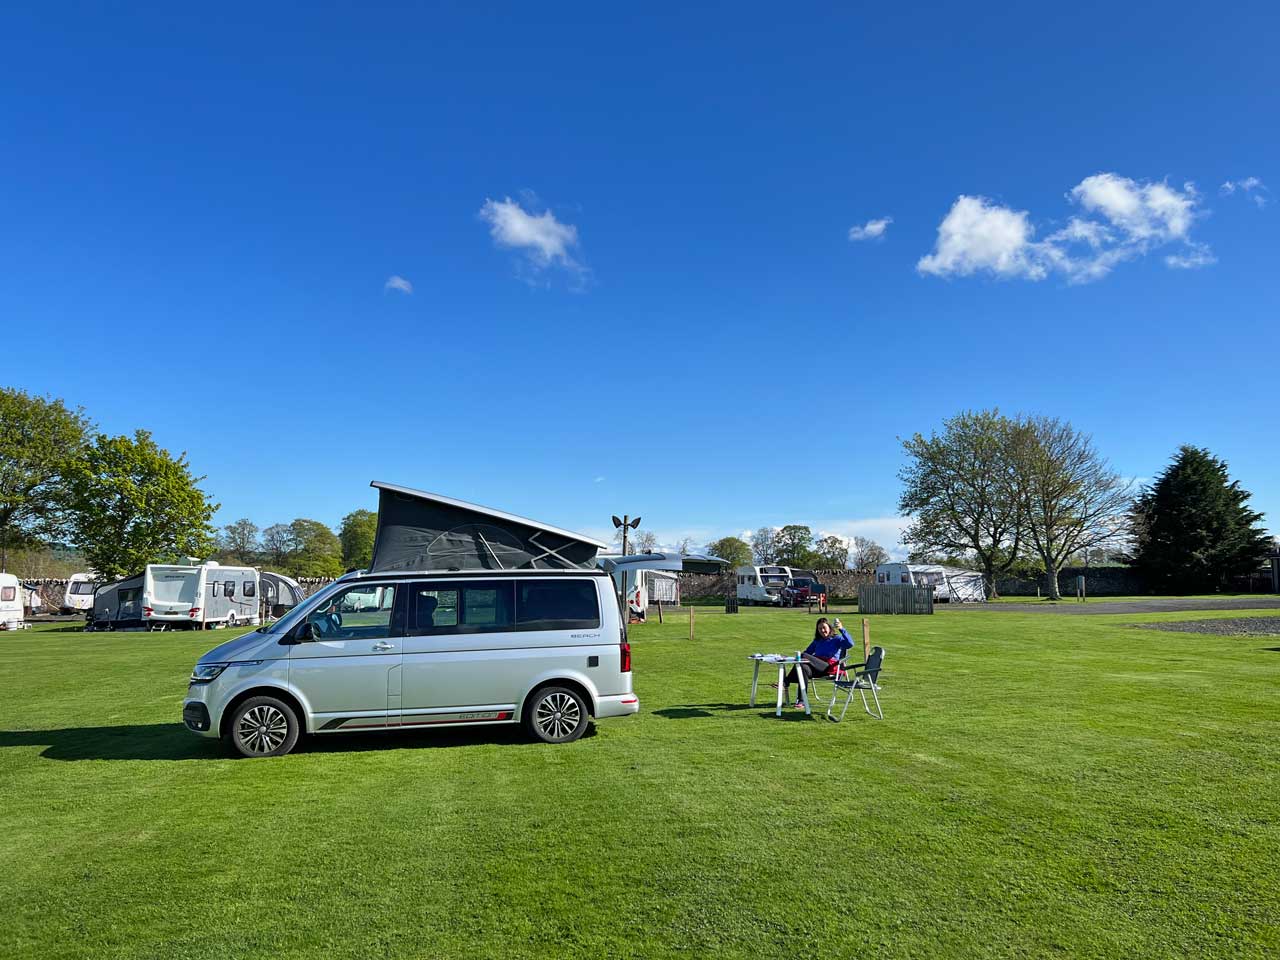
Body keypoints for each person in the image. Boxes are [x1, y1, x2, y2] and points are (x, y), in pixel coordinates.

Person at [784, 616, 853, 707]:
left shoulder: (837, 639)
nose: (822, 630)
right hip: (817, 669)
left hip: (830, 668)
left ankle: (785, 682)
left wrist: (841, 629)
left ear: (829, 627)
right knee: (803, 667)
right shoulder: (817, 641)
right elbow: (807, 652)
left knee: (803, 656)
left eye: (824, 627)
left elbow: (850, 644)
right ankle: (801, 701)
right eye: (820, 629)